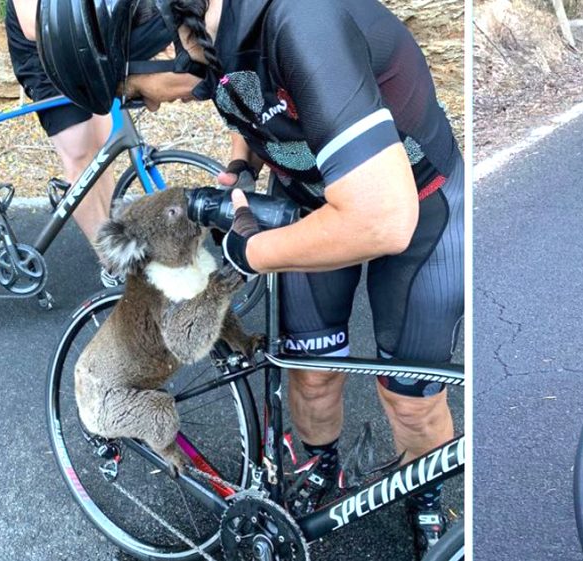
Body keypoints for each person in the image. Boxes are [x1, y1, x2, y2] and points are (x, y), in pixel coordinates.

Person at [36, 0, 464, 556]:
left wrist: (248, 251)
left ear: (157, 43)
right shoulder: (210, 37)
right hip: (308, 201)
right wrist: (242, 160)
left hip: (420, 212)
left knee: (410, 401)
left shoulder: (300, 23)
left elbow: (381, 219)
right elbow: (250, 99)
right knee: (310, 374)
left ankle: (424, 493)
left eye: (134, 93)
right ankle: (317, 465)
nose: (150, 109)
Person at [6, 0, 120, 286]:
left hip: (79, 53)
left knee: (103, 150)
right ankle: (111, 262)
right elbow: (33, 27)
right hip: (44, 60)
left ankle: (111, 236)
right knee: (79, 155)